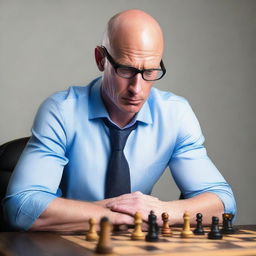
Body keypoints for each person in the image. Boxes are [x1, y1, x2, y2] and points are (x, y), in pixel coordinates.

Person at [3, 9, 236, 231]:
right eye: (126, 70)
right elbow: (21, 207)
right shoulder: (62, 111)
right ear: (100, 59)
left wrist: (159, 211)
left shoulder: (175, 114)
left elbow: (223, 203)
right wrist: (118, 216)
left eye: (150, 71)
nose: (138, 88)